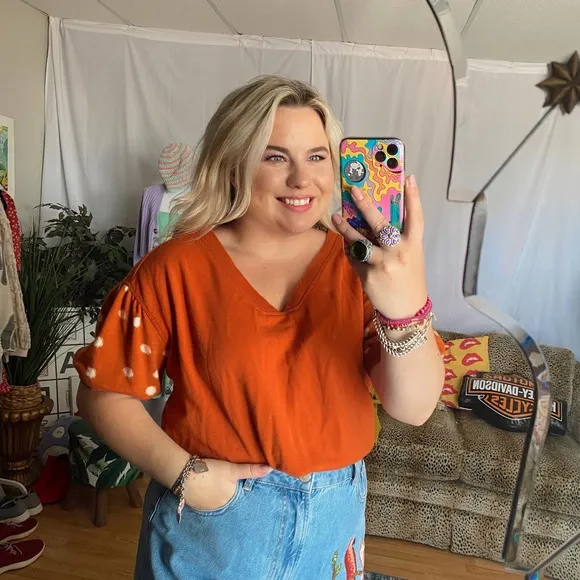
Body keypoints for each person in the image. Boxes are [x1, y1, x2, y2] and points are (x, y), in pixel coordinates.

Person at [73, 75, 444, 579]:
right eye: (275, 157)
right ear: (233, 163)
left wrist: (404, 306)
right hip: (215, 521)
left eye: (317, 156)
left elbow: (414, 407)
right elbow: (104, 393)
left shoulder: (361, 267)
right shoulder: (176, 267)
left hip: (334, 517)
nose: (302, 179)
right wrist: (186, 476)